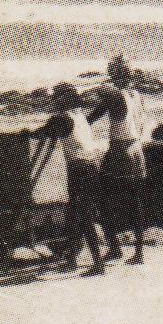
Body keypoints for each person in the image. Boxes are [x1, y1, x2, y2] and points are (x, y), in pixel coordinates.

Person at [35, 83, 106, 275]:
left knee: (83, 217)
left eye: (57, 97)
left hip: (80, 170)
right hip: (91, 167)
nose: (54, 101)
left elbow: (42, 132)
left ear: (64, 100)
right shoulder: (79, 116)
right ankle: (72, 260)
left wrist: (26, 134)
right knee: (74, 215)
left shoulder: (63, 118)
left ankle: (98, 264)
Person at [87, 55, 150, 266]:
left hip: (119, 152)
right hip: (137, 151)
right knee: (135, 202)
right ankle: (139, 252)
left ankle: (114, 247)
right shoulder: (138, 95)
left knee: (99, 196)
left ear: (115, 74)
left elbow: (91, 118)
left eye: (112, 73)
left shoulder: (115, 96)